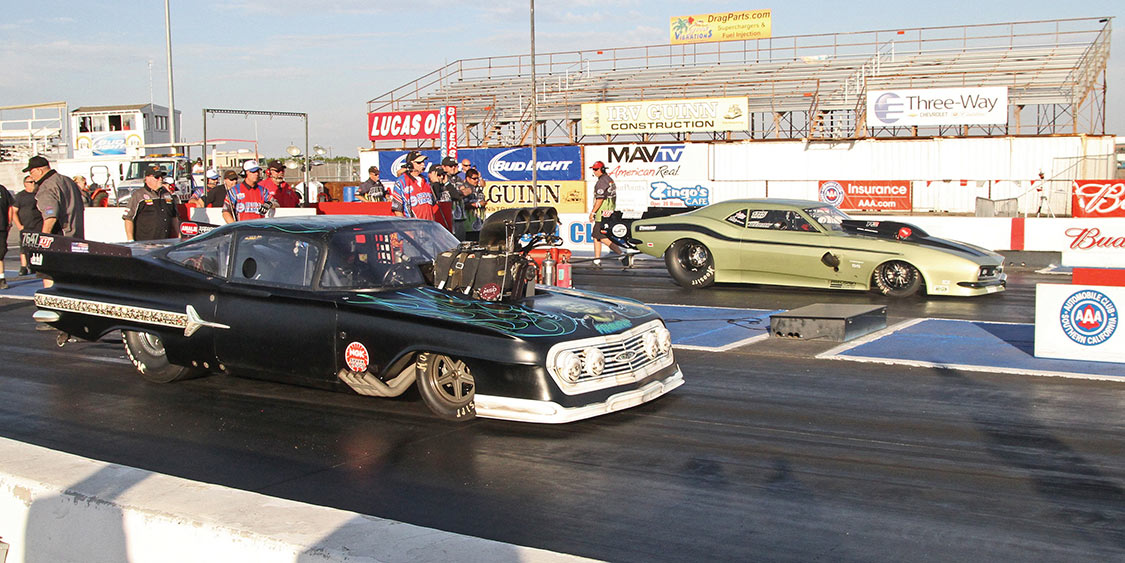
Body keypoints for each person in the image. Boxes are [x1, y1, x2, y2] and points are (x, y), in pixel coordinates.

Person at [26, 155, 84, 239]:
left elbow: (50, 216)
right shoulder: (68, 180)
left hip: (61, 238)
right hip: (76, 234)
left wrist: (44, 238)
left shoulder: (46, 186)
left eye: (31, 172)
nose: (31, 176)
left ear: (39, 171)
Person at [588, 160, 628, 267]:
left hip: (602, 214)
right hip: (609, 211)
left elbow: (600, 199)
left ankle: (621, 254)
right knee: (597, 236)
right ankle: (597, 260)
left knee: (600, 236)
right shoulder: (609, 179)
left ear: (601, 169)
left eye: (596, 169)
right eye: (593, 169)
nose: (594, 171)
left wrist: (593, 212)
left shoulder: (601, 182)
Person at [123, 166, 180, 241]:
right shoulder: (138, 195)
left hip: (165, 242)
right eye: (157, 177)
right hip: (144, 243)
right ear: (147, 178)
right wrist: (130, 240)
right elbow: (128, 218)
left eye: (161, 177)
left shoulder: (167, 194)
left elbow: (174, 217)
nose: (160, 179)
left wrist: (178, 236)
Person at [389, 151, 437, 221]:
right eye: (419, 162)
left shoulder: (426, 181)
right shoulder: (401, 182)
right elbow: (397, 209)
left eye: (423, 162)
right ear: (410, 164)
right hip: (412, 224)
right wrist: (406, 225)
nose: (423, 164)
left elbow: (431, 206)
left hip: (428, 225)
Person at [12, 175, 43, 276]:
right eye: (30, 182)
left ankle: (35, 266)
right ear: (25, 184)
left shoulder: (39, 194)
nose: (33, 184)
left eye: (34, 182)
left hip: (38, 224)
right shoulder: (20, 196)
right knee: (24, 247)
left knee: (38, 247)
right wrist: (19, 225)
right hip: (26, 225)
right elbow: (14, 211)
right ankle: (23, 267)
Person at [441, 157, 467, 240]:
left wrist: (457, 193)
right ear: (444, 167)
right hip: (447, 216)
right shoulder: (441, 178)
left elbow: (466, 191)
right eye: (450, 166)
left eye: (455, 166)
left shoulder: (458, 178)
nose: (453, 168)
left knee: (460, 241)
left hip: (459, 216)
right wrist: (458, 193)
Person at [427, 163, 455, 233]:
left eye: (443, 174)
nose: (441, 177)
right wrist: (435, 182)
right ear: (430, 175)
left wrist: (447, 183)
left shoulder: (447, 186)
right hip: (436, 223)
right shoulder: (429, 187)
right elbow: (435, 196)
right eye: (439, 175)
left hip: (448, 222)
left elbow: (456, 196)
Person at [461, 168, 487, 241]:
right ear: (468, 178)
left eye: (477, 178)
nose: (476, 180)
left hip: (480, 222)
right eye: (474, 179)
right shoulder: (465, 189)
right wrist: (478, 204)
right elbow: (463, 205)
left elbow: (483, 184)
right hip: (469, 225)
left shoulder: (478, 188)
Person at [0, 183, 11, 289]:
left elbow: (10, 205)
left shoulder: (2, 189)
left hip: (1, 226)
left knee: (1, 253)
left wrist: (9, 221)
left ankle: (1, 278)